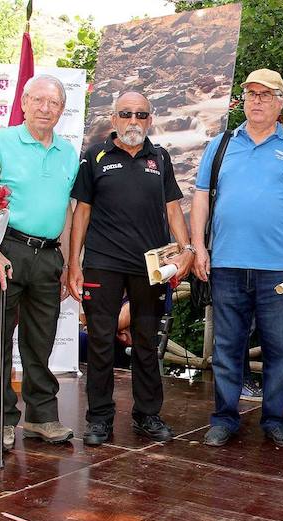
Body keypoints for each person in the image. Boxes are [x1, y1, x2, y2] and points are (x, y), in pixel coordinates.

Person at [191, 68, 283, 448]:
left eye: (266, 94)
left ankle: (275, 418)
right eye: (251, 93)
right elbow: (201, 196)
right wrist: (198, 246)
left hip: (279, 269)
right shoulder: (220, 145)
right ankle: (224, 418)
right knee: (227, 346)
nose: (257, 100)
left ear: (281, 102)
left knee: (280, 348)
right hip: (227, 264)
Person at [69, 91, 193, 446]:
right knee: (101, 341)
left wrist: (185, 251)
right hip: (102, 263)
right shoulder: (95, 156)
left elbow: (173, 209)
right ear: (114, 119)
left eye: (141, 115)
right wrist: (73, 264)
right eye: (126, 114)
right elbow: (82, 212)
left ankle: (148, 415)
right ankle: (100, 420)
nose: (134, 121)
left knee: (145, 341)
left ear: (150, 120)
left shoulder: (161, 157)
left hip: (151, 267)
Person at [0, 74, 79, 452]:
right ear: (24, 103)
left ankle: (41, 416)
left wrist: (70, 264)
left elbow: (68, 214)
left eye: (53, 103)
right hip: (6, 250)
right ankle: (2, 420)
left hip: (49, 254)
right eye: (38, 101)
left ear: (61, 110)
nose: (45, 109)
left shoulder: (69, 154)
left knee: (41, 340)